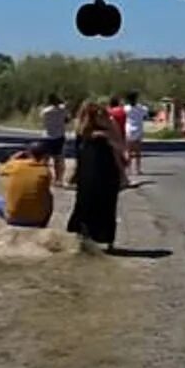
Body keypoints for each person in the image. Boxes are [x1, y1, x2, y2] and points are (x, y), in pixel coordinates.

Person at [66, 102, 127, 250]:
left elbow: (119, 149)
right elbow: (78, 153)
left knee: (107, 205)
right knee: (85, 203)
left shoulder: (110, 126)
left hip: (107, 172)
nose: (102, 117)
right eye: (97, 115)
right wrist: (74, 173)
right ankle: (83, 237)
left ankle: (107, 239)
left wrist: (108, 138)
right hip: (87, 171)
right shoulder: (82, 129)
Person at [0, 142, 54, 227]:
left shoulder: (15, 165)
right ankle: (43, 224)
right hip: (37, 220)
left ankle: (9, 220)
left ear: (28, 153)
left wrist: (13, 158)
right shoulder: (46, 171)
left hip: (13, 218)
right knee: (49, 196)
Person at [40, 94, 68, 187]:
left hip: (47, 136)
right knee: (58, 159)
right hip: (59, 136)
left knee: (45, 159)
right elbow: (67, 119)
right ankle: (58, 179)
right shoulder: (62, 109)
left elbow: (43, 122)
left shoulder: (45, 111)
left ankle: (44, 177)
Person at [124, 91, 148, 176]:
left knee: (128, 151)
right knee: (138, 151)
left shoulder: (126, 108)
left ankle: (128, 169)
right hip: (138, 129)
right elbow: (145, 114)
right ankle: (137, 169)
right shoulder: (141, 108)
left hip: (129, 129)